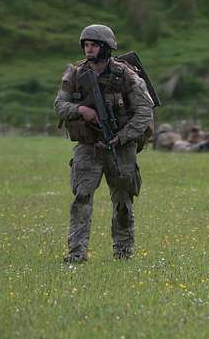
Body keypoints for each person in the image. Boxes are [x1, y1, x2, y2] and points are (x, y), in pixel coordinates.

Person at [55, 24, 153, 263]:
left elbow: (144, 111)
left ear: (106, 48)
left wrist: (122, 136)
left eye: (94, 45)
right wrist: (81, 109)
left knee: (123, 202)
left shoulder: (126, 76)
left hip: (120, 146)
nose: (89, 50)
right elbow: (59, 105)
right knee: (82, 198)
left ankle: (123, 252)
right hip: (88, 146)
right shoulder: (76, 74)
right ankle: (77, 253)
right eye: (86, 45)